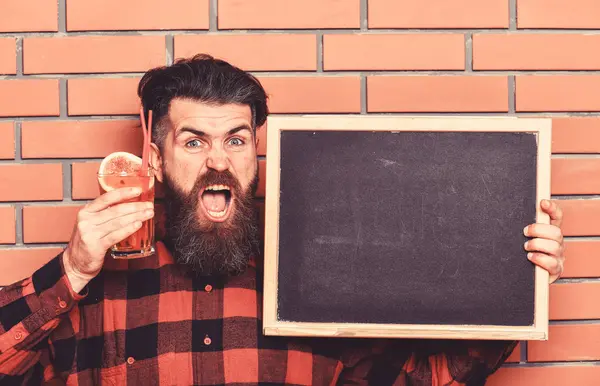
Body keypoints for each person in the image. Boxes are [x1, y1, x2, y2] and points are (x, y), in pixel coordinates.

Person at [0, 54, 565, 385]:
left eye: (236, 140)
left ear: (255, 151)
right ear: (155, 155)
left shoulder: (315, 273)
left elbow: (422, 376)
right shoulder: (95, 283)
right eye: (194, 141)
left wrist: (513, 283)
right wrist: (70, 272)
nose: (218, 160)